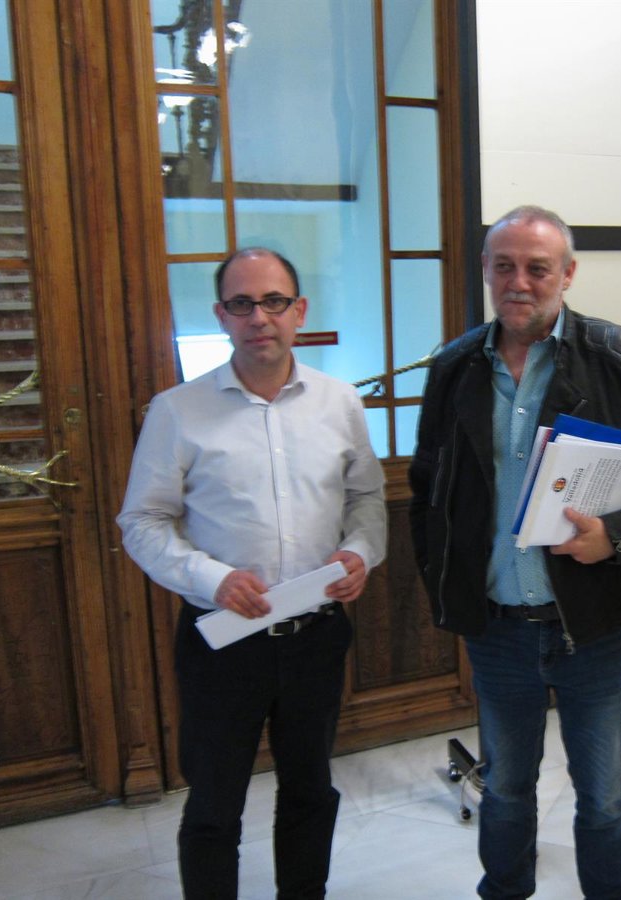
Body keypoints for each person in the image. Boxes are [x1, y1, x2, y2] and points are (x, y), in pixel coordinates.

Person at [409, 205, 621, 899]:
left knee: (602, 795)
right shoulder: (454, 366)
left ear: (568, 274)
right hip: (497, 629)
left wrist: (618, 535)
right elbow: (428, 489)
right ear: (485, 271)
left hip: (592, 626)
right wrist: (445, 584)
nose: (519, 282)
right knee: (506, 790)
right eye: (504, 266)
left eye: (537, 268)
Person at [117, 247, 387, 899]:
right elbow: (141, 521)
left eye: (273, 302)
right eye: (241, 304)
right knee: (214, 806)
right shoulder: (177, 410)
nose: (258, 317)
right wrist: (212, 579)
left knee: (310, 791)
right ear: (221, 316)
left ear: (299, 311)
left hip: (316, 637)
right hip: (222, 643)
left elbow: (366, 499)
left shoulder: (339, 402)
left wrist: (361, 551)